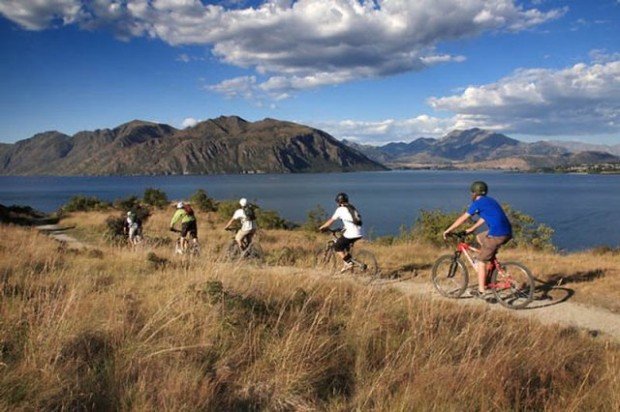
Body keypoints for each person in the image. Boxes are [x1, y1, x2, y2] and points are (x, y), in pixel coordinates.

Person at [443, 181, 512, 297]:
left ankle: (481, 291)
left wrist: (448, 230)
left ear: (474, 193)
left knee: (481, 261)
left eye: (472, 193)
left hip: (497, 234)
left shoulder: (477, 203)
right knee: (480, 236)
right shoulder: (490, 201)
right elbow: (485, 218)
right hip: (507, 232)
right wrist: (471, 229)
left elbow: (463, 218)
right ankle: (490, 261)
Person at [318, 192, 364, 272]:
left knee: (337, 247)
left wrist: (323, 227)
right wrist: (343, 228)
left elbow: (331, 221)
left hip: (352, 233)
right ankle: (348, 264)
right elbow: (351, 220)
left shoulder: (340, 209)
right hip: (360, 232)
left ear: (339, 202)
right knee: (345, 247)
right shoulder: (352, 208)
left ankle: (349, 263)